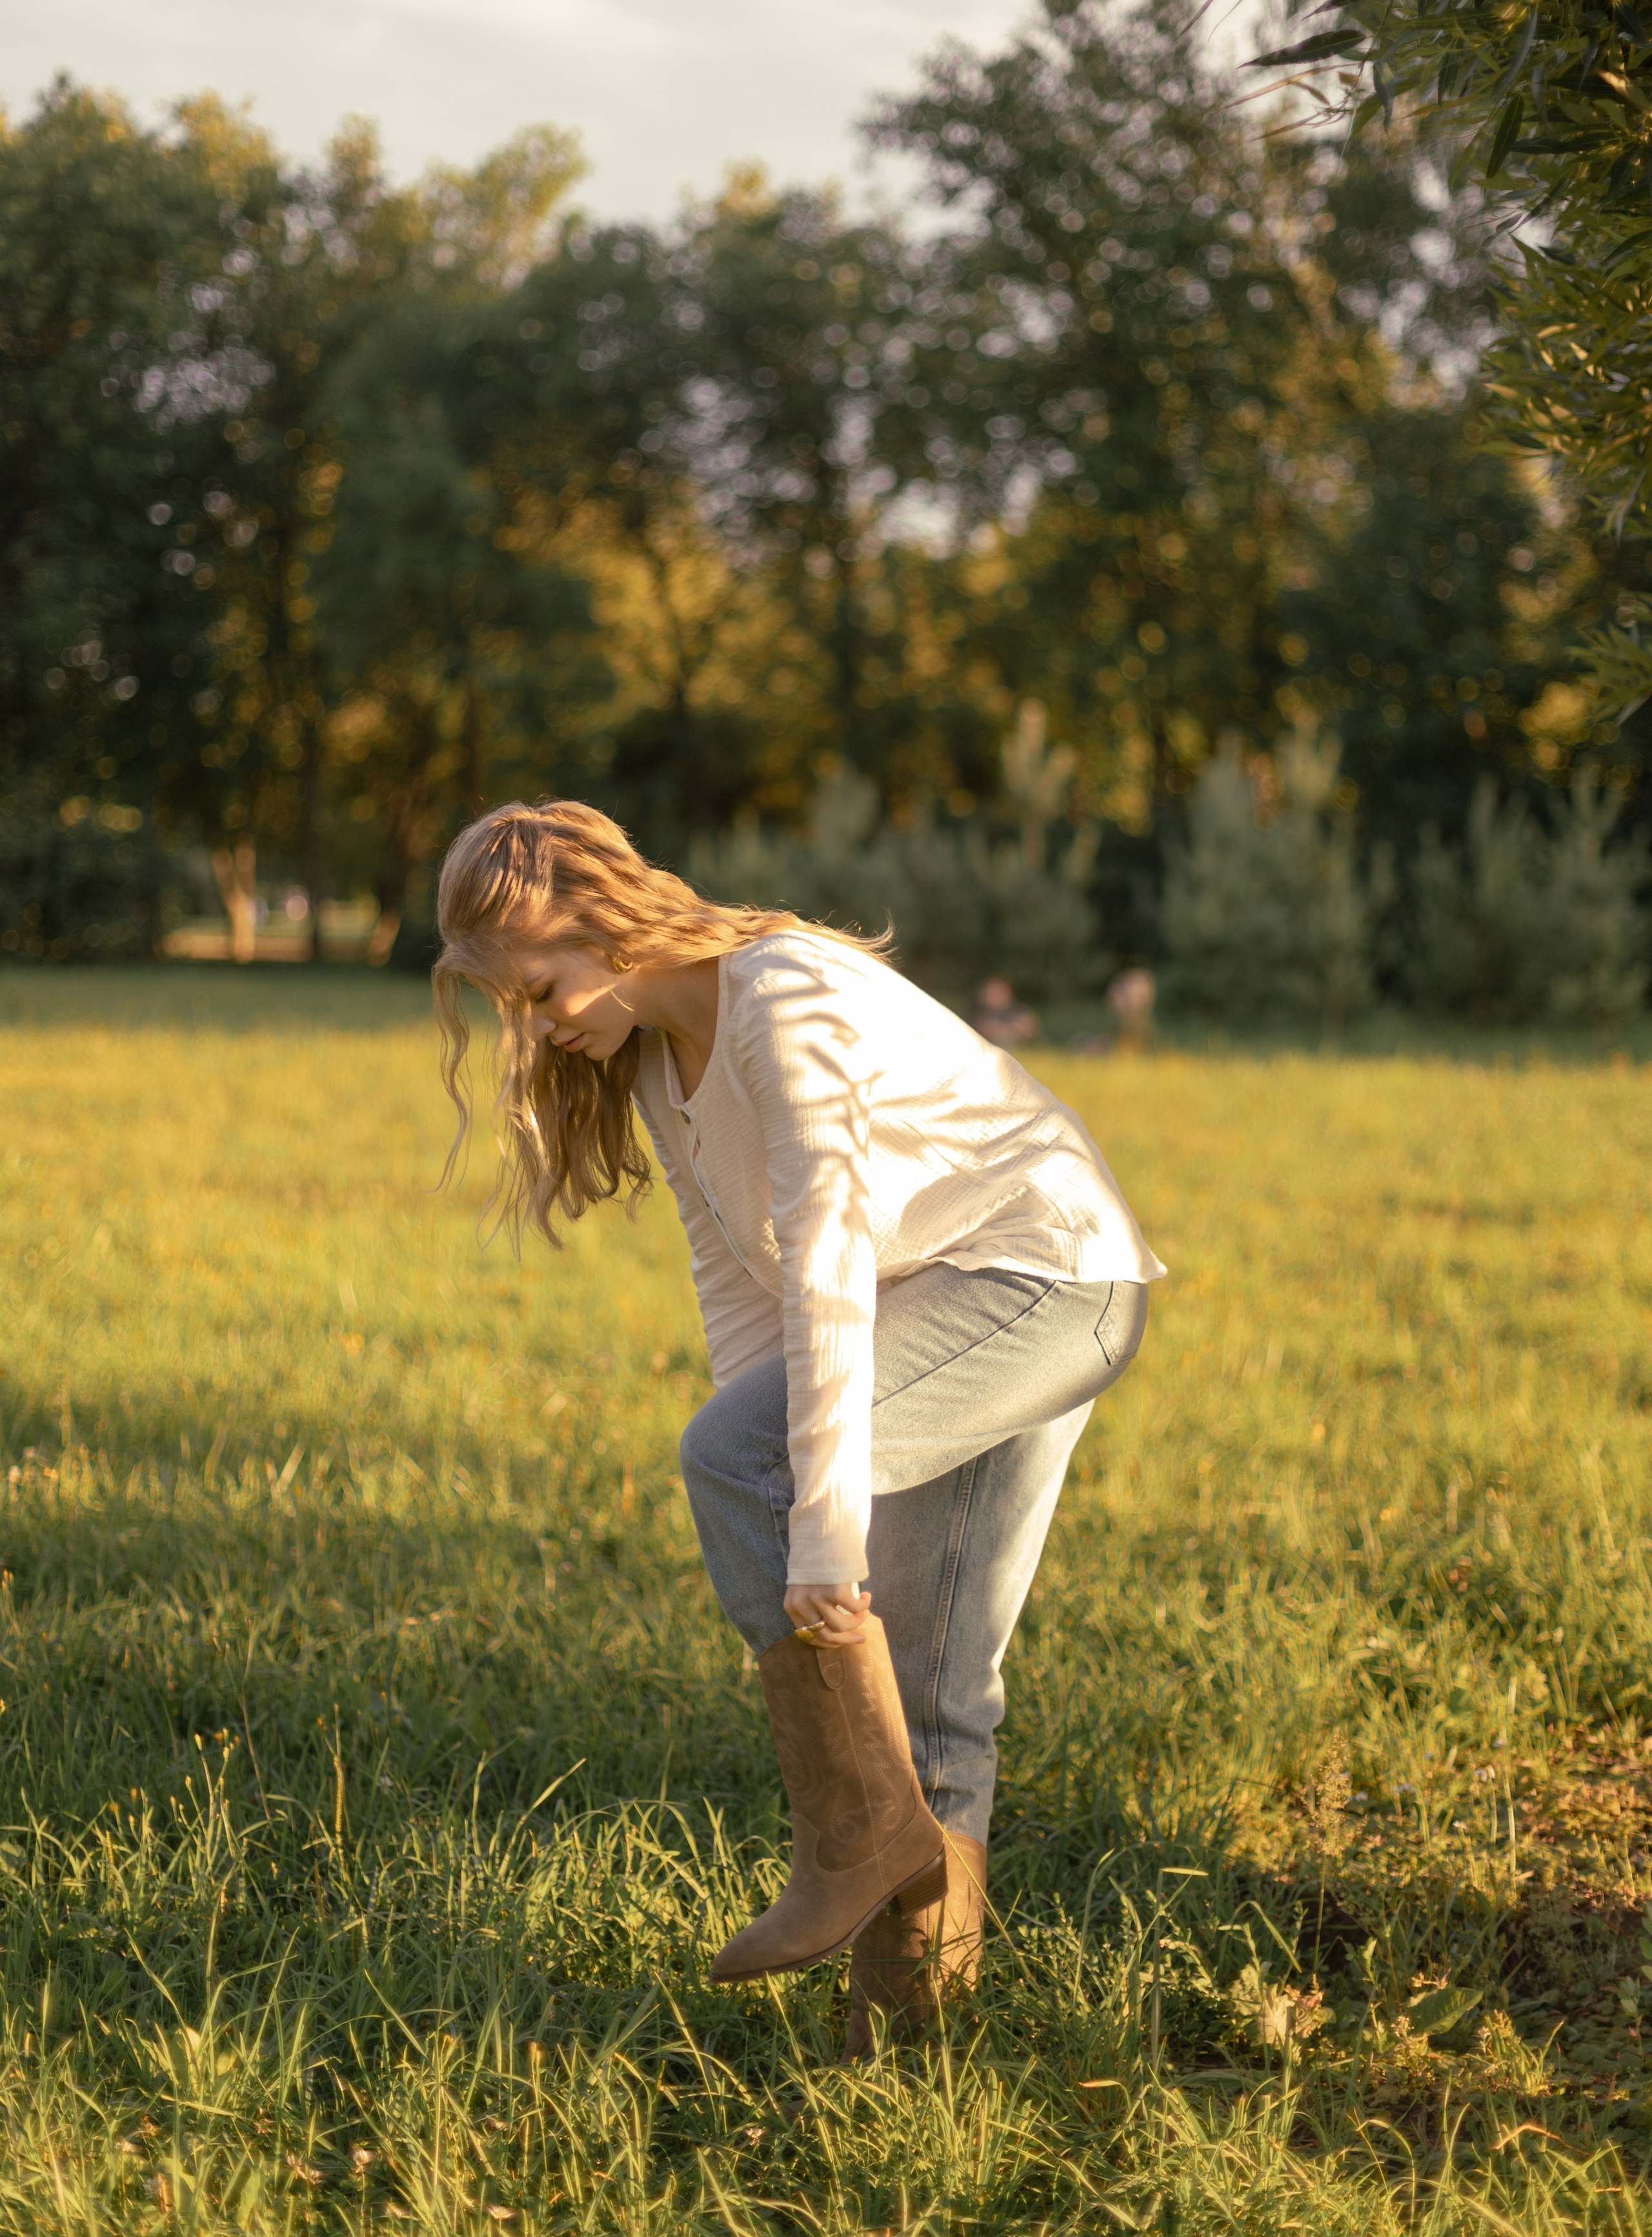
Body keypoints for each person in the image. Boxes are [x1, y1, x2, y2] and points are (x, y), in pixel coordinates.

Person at [432, 799, 1164, 2056]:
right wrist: (797, 1509)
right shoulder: (660, 1063)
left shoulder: (783, 993)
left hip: (1050, 1281)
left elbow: (826, 1253)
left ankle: (849, 1834)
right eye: (513, 1006)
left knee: (731, 1458)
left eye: (540, 987)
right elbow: (747, 1302)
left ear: (606, 922)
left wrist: (809, 1519)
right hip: (943, 1299)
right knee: (928, 1682)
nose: (537, 1025)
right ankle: (904, 2048)